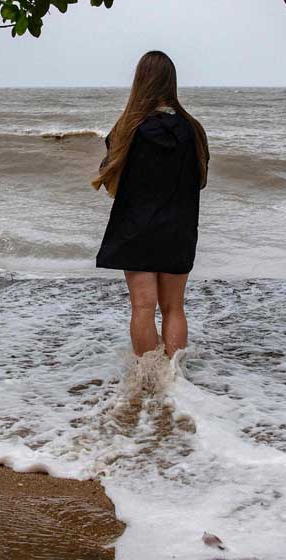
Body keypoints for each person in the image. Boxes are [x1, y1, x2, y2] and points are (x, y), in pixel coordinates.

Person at [93, 50, 209, 357]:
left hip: (136, 227)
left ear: (140, 81)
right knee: (174, 308)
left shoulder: (128, 128)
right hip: (179, 227)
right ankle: (173, 379)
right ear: (171, 82)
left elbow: (109, 173)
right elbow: (200, 178)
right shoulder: (192, 129)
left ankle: (148, 381)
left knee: (143, 307)